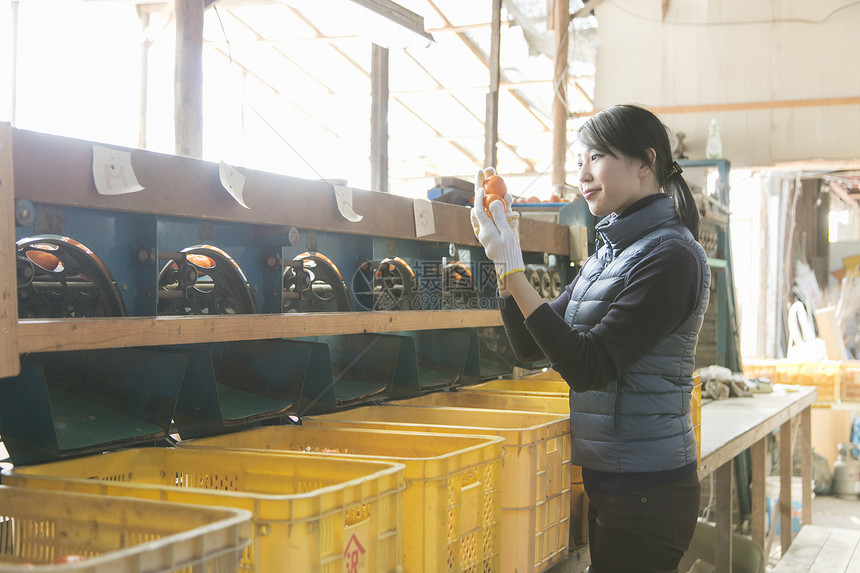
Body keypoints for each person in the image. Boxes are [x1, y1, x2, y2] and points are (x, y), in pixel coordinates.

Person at [471, 104, 710, 573]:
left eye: (597, 156)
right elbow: (529, 347)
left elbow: (589, 366)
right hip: (614, 486)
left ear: (645, 162)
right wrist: (503, 264)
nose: (582, 173)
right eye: (579, 159)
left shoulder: (672, 257)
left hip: (649, 490)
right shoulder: (606, 257)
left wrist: (518, 271)